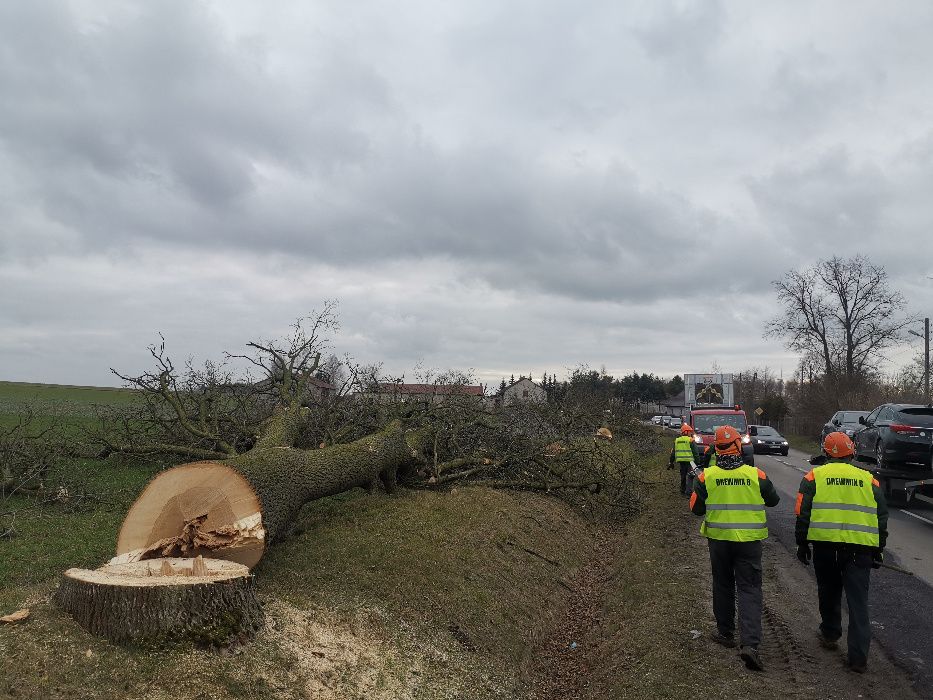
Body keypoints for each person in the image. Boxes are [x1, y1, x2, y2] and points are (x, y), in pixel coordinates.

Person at [794, 431, 888, 673]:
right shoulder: (870, 481)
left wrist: (802, 544)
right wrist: (878, 550)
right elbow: (881, 518)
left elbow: (802, 514)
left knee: (828, 592)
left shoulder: (813, 477)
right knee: (858, 604)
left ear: (825, 452)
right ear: (852, 451)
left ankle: (830, 633)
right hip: (860, 551)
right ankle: (858, 659)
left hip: (826, 549)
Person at [690, 425, 780, 671]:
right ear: (739, 446)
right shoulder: (757, 475)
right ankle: (750, 644)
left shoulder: (705, 477)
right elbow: (773, 500)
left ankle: (726, 633)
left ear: (716, 449)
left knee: (723, 584)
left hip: (719, 541)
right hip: (749, 542)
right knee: (749, 589)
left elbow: (696, 509)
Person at [669, 423, 703, 495]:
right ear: (686, 432)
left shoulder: (677, 440)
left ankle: (682, 490)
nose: (691, 433)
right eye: (689, 431)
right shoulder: (690, 440)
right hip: (690, 462)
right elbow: (695, 452)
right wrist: (697, 462)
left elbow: (673, 453)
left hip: (681, 462)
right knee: (690, 476)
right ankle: (688, 492)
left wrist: (671, 462)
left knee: (683, 476)